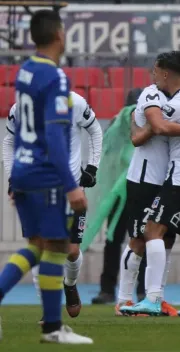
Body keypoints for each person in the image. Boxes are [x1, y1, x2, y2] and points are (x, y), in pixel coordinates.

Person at [0, 9, 92, 344]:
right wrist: (71, 186)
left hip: (24, 169)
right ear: (58, 35)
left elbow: (22, 130)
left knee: (39, 246)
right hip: (44, 174)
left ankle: (53, 325)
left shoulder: (25, 71)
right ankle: (53, 327)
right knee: (54, 246)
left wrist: (15, 177)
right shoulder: (56, 78)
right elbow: (55, 136)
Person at [120, 51, 180, 317]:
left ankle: (151, 298)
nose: (152, 75)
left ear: (165, 73)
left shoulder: (174, 105)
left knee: (151, 233)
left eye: (155, 71)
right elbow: (143, 134)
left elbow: (158, 127)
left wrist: (138, 125)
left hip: (179, 179)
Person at [3, 90, 102, 322]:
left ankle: (70, 283)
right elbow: (8, 141)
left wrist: (93, 167)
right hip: (36, 189)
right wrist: (11, 178)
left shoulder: (75, 102)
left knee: (72, 251)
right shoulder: (21, 109)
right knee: (40, 248)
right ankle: (50, 313)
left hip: (71, 189)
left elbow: (95, 130)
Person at [91, 88, 147, 306]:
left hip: (141, 189)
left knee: (142, 240)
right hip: (120, 192)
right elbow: (109, 157)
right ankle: (107, 289)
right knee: (114, 240)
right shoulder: (117, 125)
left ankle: (143, 290)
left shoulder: (150, 124)